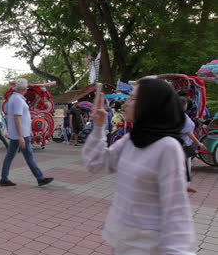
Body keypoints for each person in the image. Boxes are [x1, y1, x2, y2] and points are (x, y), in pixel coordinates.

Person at [83, 79, 195, 254]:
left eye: (133, 99)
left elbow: (176, 210)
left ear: (149, 104)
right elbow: (96, 164)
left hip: (149, 247)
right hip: (123, 242)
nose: (126, 104)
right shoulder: (131, 140)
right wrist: (98, 127)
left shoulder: (167, 147)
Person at [0, 78, 54, 187]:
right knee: (28, 156)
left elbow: (20, 118)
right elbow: (17, 118)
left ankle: (4, 178)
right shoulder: (18, 100)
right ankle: (40, 178)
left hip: (20, 134)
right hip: (20, 135)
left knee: (11, 156)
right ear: (24, 89)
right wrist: (21, 136)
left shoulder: (16, 98)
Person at [180, 96, 206, 193]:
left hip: (181, 143)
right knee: (185, 165)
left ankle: (184, 184)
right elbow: (188, 132)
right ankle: (186, 185)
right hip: (184, 144)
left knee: (183, 165)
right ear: (184, 105)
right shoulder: (181, 116)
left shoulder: (176, 115)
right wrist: (198, 142)